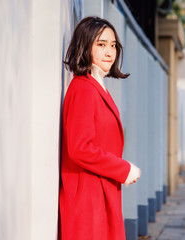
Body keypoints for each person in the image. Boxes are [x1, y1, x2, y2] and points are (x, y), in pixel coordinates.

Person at [59, 16, 141, 240]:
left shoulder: (96, 86)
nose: (110, 52)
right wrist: (123, 169)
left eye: (113, 45)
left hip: (99, 191)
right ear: (84, 46)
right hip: (88, 197)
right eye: (101, 44)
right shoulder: (84, 88)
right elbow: (79, 148)